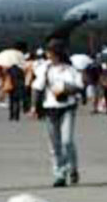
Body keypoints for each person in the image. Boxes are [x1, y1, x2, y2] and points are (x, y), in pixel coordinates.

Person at [32, 38, 83, 187]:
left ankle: (72, 168)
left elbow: (79, 85)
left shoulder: (70, 69)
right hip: (50, 108)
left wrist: (65, 88)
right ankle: (59, 174)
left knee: (67, 141)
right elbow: (37, 87)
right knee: (55, 144)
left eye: (51, 52)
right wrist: (34, 106)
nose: (48, 55)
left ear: (58, 53)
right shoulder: (44, 68)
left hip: (68, 107)